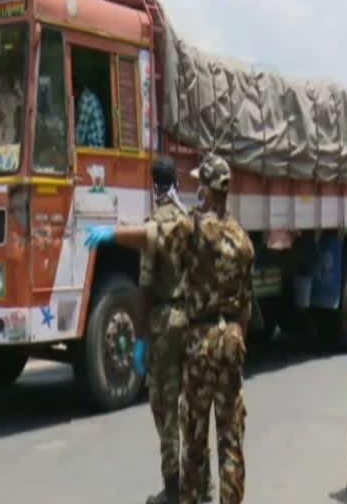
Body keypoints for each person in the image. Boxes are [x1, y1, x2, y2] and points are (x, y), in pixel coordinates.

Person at [84, 154, 253, 503]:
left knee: (193, 434)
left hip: (201, 339)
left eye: (201, 185)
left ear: (209, 190)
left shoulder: (194, 230)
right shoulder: (243, 240)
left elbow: (151, 235)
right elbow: (245, 307)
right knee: (231, 439)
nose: (197, 191)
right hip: (232, 340)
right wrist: (238, 346)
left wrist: (110, 234)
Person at [139, 158, 213, 504]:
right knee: (194, 405)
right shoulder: (187, 222)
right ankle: (205, 484)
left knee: (166, 409)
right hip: (191, 319)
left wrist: (140, 338)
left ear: (154, 186)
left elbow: (146, 286)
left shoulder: (154, 225)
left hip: (163, 323)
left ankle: (173, 492)